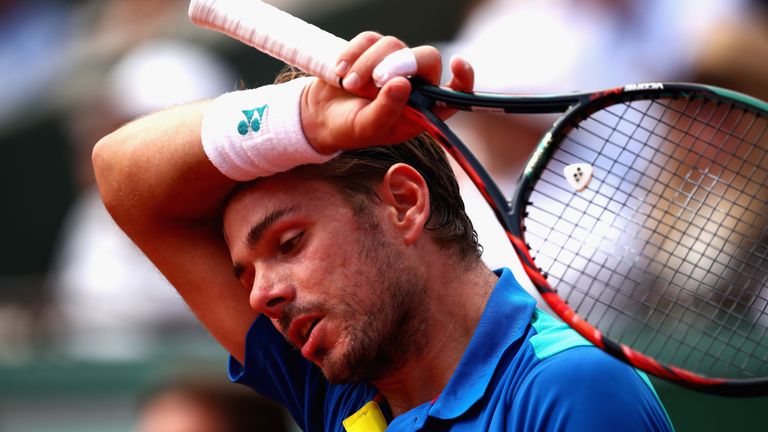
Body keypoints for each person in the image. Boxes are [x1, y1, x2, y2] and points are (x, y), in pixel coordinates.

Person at [93, 32, 673, 431]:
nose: (259, 295)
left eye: (289, 244)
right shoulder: (336, 378)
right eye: (245, 271)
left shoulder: (571, 389)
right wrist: (306, 114)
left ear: (403, 203)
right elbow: (118, 172)